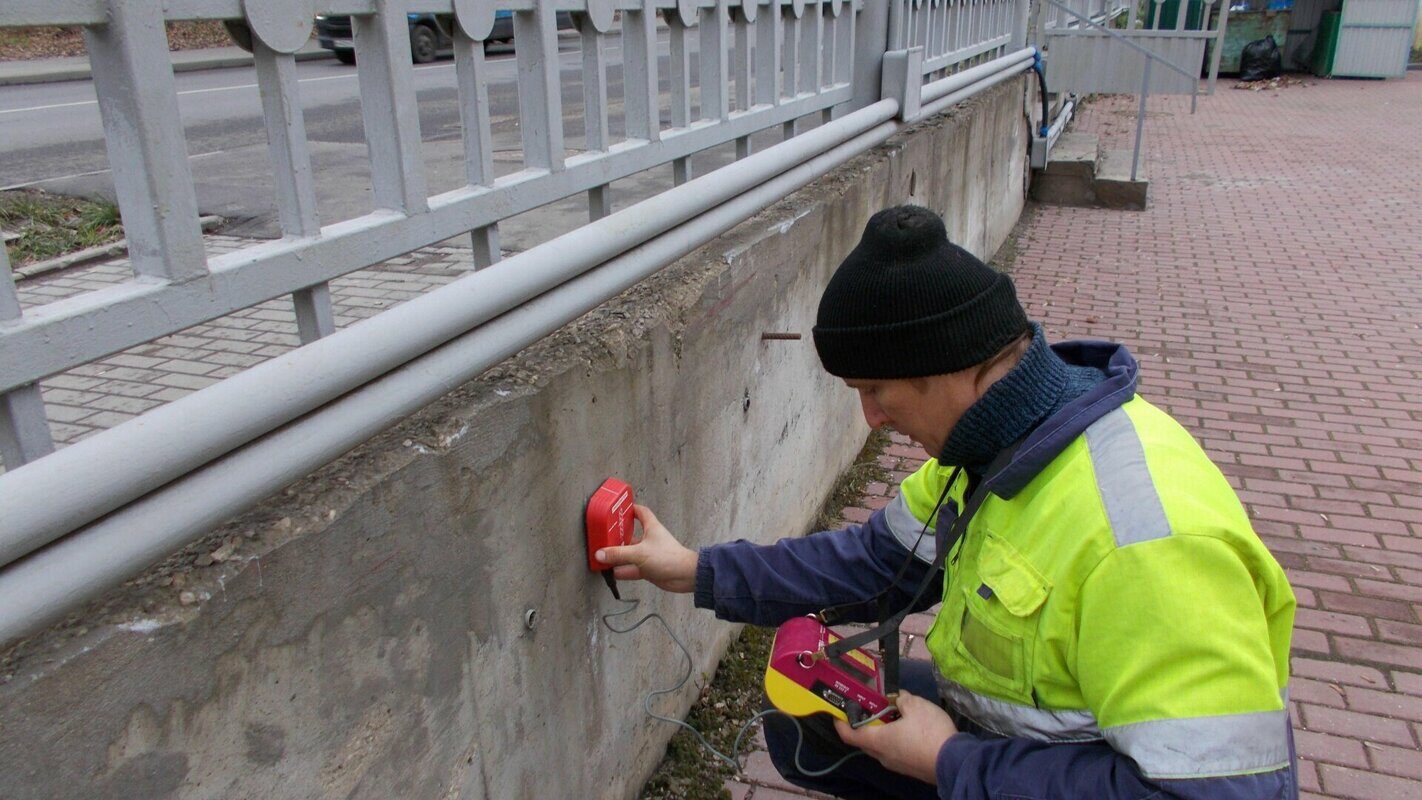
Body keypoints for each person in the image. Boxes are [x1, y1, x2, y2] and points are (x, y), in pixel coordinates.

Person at [596, 205, 1298, 800]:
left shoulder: (1143, 540)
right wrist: (691, 568)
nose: (870, 418)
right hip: (1047, 733)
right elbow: (870, 563)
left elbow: (1218, 791)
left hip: (1124, 774)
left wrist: (949, 762)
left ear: (954, 364)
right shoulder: (996, 449)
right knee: (809, 720)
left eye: (877, 390)